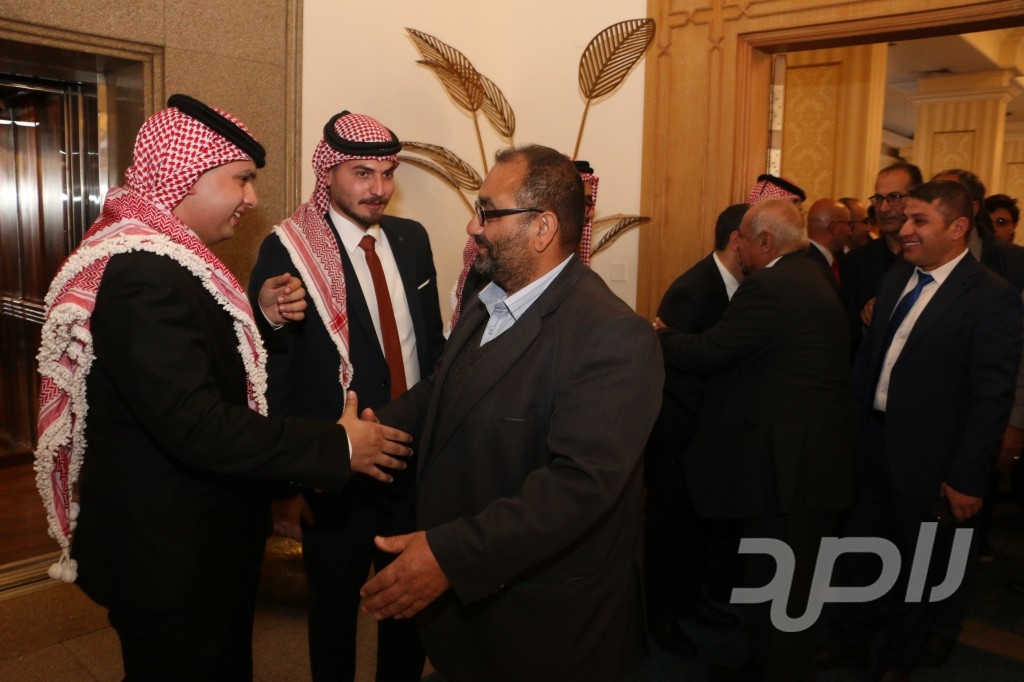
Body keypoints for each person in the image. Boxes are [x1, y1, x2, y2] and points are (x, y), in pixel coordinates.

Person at [34, 95, 412, 680]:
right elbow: (197, 423)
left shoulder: (172, 261)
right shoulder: (144, 273)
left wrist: (261, 316)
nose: (252, 198)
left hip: (194, 549)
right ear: (186, 176)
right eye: (241, 179)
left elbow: (195, 361)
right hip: (170, 560)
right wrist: (337, 445)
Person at [359, 145, 663, 682]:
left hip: (544, 627)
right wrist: (373, 432)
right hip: (478, 613)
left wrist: (450, 556)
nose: (472, 227)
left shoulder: (613, 336)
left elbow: (577, 488)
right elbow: (443, 388)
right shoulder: (490, 297)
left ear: (542, 228)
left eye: (488, 212)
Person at [249, 110, 444, 681]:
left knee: (409, 604)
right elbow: (273, 367)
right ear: (328, 172)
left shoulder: (412, 239)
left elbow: (431, 345)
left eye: (387, 173)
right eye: (362, 173)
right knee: (333, 613)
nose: (378, 188)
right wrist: (286, 485)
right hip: (335, 472)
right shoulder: (290, 248)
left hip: (412, 459)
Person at [817, 181, 1022, 681]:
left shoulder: (992, 297)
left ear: (957, 228)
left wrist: (968, 477)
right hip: (873, 444)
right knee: (858, 552)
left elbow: (990, 398)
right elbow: (870, 363)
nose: (903, 228)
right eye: (904, 217)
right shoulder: (897, 277)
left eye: (919, 221)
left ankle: (898, 660)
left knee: (918, 569)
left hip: (933, 460)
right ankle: (849, 642)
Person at [656, 199, 858, 682]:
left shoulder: (771, 285)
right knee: (780, 583)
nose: (739, 248)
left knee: (783, 591)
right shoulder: (807, 275)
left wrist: (658, 336)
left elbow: (711, 350)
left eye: (744, 239)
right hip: (801, 462)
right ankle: (765, 667)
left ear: (765, 241)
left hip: (793, 468)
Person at [645, 204, 748, 657]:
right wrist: (723, 412)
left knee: (694, 527)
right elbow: (673, 371)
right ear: (738, 241)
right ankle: (658, 616)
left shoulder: (740, 287)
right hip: (676, 434)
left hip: (704, 435)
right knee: (667, 529)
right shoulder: (694, 289)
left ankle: (690, 601)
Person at [450, 159, 599, 328]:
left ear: (544, 227)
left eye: (588, 202)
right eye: (584, 202)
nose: (591, 212)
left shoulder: (597, 318)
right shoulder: (494, 257)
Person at [804, 197, 851, 288]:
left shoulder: (802, 257)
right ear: (834, 228)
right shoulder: (812, 268)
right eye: (848, 224)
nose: (850, 231)